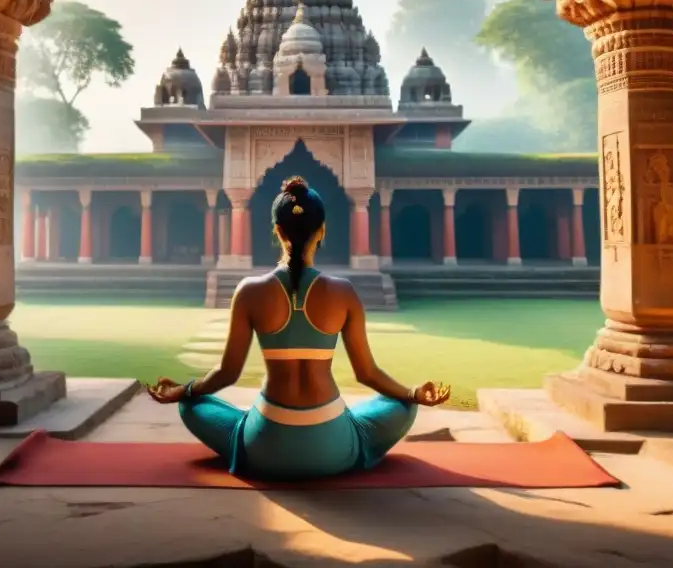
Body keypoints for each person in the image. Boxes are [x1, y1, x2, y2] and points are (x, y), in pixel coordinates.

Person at [147, 176, 450, 481]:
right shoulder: (344, 292)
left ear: (277, 231)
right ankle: (370, 426)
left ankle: (226, 423)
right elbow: (367, 374)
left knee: (191, 405)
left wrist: (182, 391)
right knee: (404, 405)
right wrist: (413, 394)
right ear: (322, 231)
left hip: (264, 446)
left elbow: (227, 374)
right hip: (333, 447)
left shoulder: (249, 290)